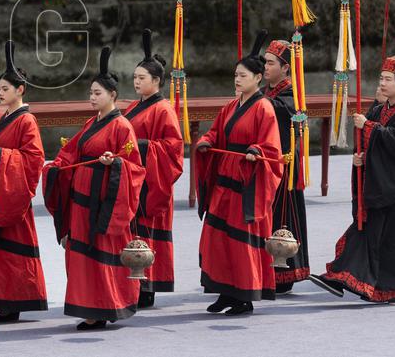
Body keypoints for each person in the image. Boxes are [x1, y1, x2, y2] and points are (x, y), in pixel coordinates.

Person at [43, 47, 146, 330]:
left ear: (112, 95)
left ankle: (104, 307)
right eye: (90, 93)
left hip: (104, 204)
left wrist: (114, 164)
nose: (92, 97)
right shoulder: (91, 123)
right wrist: (56, 167)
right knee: (80, 256)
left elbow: (134, 167)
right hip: (81, 202)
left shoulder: (122, 126)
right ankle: (88, 307)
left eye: (97, 93)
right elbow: (72, 152)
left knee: (101, 255)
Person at [311, 56, 395, 304]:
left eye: (389, 79)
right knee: (365, 228)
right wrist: (362, 158)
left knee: (394, 240)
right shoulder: (380, 109)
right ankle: (340, 276)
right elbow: (372, 145)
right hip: (378, 181)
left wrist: (369, 127)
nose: (383, 83)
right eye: (381, 78)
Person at [195, 30, 283, 315]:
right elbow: (216, 132)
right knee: (216, 238)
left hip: (247, 183)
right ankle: (224, 291)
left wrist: (257, 151)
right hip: (224, 180)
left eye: (242, 75)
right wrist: (207, 141)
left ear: (258, 78)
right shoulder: (231, 106)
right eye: (235, 75)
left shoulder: (264, 108)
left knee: (239, 241)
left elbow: (271, 148)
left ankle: (242, 296)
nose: (237, 79)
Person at [0, 41, 48, 323]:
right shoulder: (1, 118)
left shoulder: (26, 120)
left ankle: (16, 301)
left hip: (13, 195)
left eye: (5, 89)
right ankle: (2, 300)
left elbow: (33, 159)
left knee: (13, 253)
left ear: (20, 90)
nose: (0, 92)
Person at [122, 29, 183, 308]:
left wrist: (142, 147)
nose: (136, 82)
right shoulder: (133, 107)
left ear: (156, 81)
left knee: (147, 230)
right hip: (133, 179)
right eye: (134, 78)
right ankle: (133, 282)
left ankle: (148, 286)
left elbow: (172, 148)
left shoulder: (164, 109)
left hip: (152, 181)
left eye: (141, 78)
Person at [263, 39, 310, 294]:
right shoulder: (266, 93)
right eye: (265, 62)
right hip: (265, 165)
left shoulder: (292, 94)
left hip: (284, 166)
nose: (266, 67)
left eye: (271, 63)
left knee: (282, 216)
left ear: (285, 68)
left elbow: (279, 111)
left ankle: (285, 272)